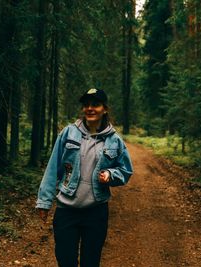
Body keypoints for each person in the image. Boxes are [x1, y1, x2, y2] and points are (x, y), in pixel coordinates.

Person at [35, 88, 133, 267]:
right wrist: (44, 201)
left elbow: (126, 170)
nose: (90, 108)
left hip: (96, 212)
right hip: (67, 210)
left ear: (105, 109)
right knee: (66, 260)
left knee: (91, 262)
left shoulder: (114, 140)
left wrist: (111, 175)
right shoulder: (68, 133)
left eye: (95, 105)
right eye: (86, 105)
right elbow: (53, 168)